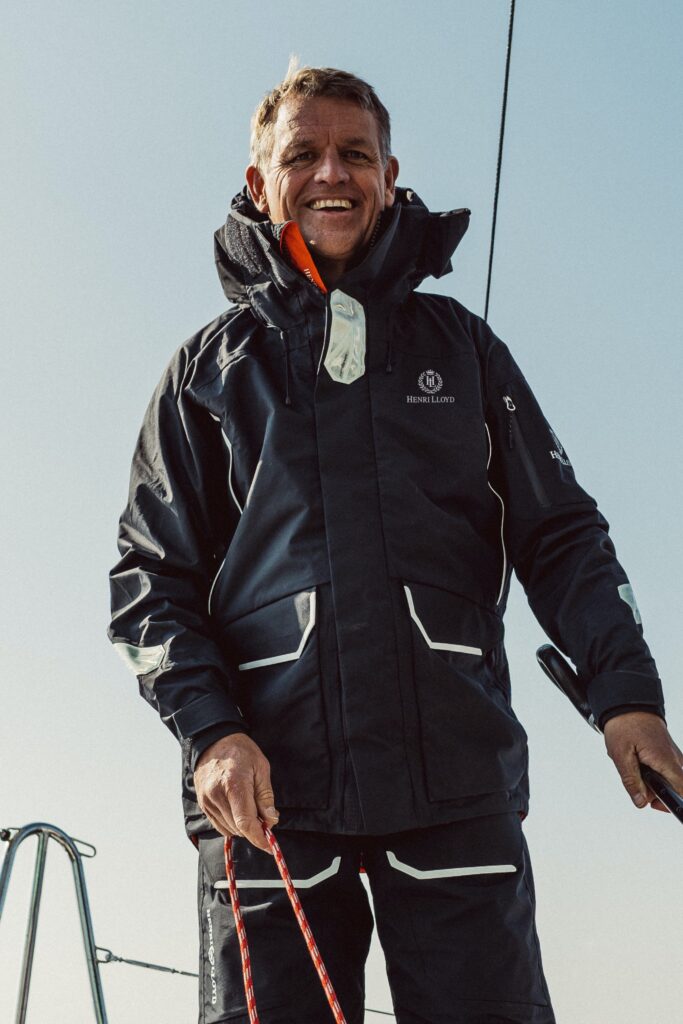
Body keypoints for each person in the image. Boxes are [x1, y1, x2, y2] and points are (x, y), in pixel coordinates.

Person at [108, 63, 683, 1024]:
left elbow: (562, 536)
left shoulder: (461, 350)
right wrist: (210, 731)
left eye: (354, 154)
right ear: (260, 181)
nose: (330, 173)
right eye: (302, 154)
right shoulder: (205, 377)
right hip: (267, 801)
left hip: (452, 778)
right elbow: (147, 581)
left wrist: (624, 696)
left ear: (389, 173)